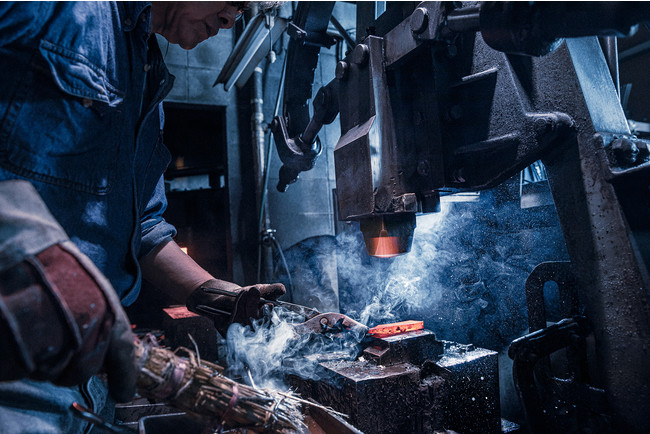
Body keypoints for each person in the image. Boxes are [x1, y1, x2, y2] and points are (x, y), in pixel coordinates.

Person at [0, 2, 284, 433]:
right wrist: (27, 247)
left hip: (89, 380)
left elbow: (145, 229)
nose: (233, 20)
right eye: (237, 1)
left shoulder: (145, 70)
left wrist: (214, 295)